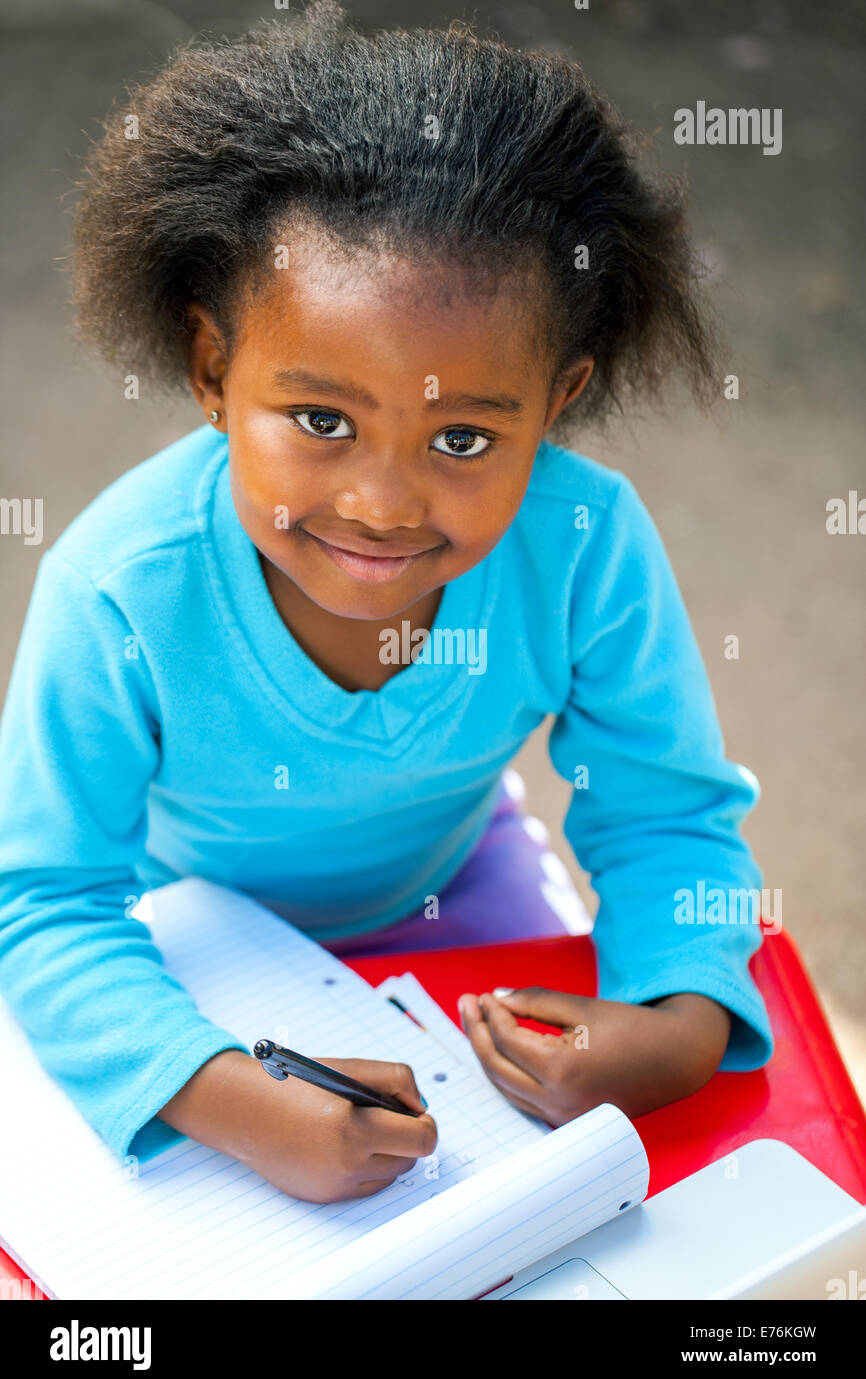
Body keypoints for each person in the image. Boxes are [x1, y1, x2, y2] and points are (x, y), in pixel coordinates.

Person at [0, 1, 773, 1205]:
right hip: (182, 938)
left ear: (555, 399)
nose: (380, 502)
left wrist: (675, 1027)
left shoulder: (582, 545)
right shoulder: (116, 591)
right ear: (213, 370)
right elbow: (44, 900)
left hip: (464, 901)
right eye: (320, 421)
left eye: (462, 433)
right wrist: (229, 1098)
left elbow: (667, 816)